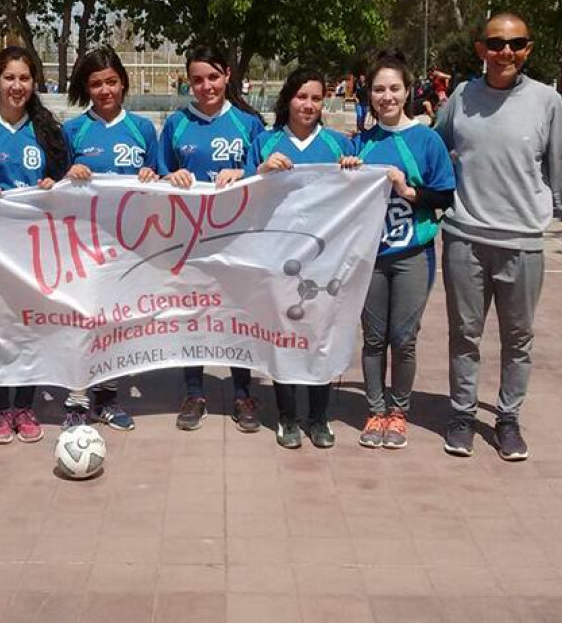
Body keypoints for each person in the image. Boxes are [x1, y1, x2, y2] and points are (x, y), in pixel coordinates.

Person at [434, 12, 562, 461]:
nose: (507, 52)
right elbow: (429, 148)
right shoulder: (462, 97)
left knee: (517, 338)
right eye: (497, 44)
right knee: (465, 334)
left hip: (522, 242)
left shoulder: (546, 101)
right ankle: (462, 415)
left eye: (517, 44)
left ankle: (507, 419)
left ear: (528, 49)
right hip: (464, 237)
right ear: (481, 50)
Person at [245, 67, 361, 449]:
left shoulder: (339, 145)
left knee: (320, 335)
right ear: (287, 99)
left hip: (325, 261)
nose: (308, 105)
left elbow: (359, 194)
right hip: (278, 259)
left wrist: (353, 171)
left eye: (316, 97)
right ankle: (287, 416)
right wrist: (261, 172)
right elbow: (243, 195)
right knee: (284, 334)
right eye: (301, 96)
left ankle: (318, 416)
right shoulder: (264, 142)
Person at [157, 44, 265, 433]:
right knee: (194, 312)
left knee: (237, 313)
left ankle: (242, 391)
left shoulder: (249, 124)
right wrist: (172, 177)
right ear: (189, 82)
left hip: (237, 240)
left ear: (227, 77)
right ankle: (193, 391)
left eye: (213, 77)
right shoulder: (175, 124)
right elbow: (155, 177)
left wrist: (245, 174)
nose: (206, 86)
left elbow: (267, 176)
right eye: (198, 79)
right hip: (190, 239)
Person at [0, 45, 68, 444]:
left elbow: (63, 183)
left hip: (33, 249)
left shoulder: (45, 130)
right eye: (9, 78)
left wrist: (52, 185)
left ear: (34, 82)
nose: (17, 85)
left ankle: (24, 405)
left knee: (30, 327)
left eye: (24, 78)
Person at [353, 53, 456, 450]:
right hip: (371, 258)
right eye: (379, 89)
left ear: (408, 91)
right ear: (370, 94)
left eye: (394, 88)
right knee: (374, 337)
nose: (387, 96)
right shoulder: (360, 143)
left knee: (404, 338)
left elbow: (445, 194)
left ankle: (399, 413)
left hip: (414, 253)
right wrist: (348, 169)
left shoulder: (426, 140)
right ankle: (375, 410)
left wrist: (407, 190)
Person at [57, 46, 161, 431]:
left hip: (128, 244)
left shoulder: (143, 129)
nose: (105, 91)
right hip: (82, 242)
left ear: (123, 83)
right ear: (86, 88)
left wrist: (153, 177)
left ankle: (108, 398)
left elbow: (160, 180)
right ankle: (76, 400)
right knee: (82, 320)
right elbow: (51, 186)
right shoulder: (72, 130)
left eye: (111, 82)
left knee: (117, 322)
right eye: (96, 84)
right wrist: (69, 172)